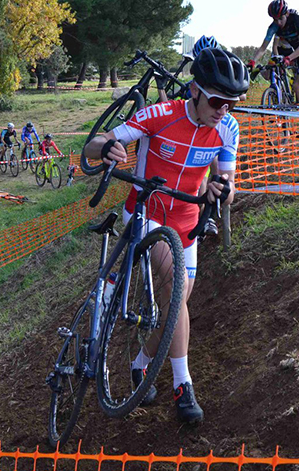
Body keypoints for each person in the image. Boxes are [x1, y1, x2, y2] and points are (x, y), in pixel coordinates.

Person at [83, 47, 248, 424]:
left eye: (232, 103)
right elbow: (95, 143)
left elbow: (229, 182)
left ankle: (141, 363)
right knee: (176, 287)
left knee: (177, 306)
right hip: (147, 213)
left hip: (187, 222)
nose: (224, 109)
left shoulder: (228, 128)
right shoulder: (161, 114)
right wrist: (108, 147)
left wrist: (221, 191)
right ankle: (183, 384)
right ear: (195, 90)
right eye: (218, 100)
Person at [248, 0, 299, 105]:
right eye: (275, 19)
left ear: (286, 14)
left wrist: (289, 58)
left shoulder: (296, 19)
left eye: (280, 19)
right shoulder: (273, 27)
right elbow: (263, 48)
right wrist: (252, 62)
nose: (278, 23)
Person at [156, 35, 218, 102]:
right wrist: (161, 88)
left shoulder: (217, 86)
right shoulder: (191, 85)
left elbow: (167, 109)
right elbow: (167, 108)